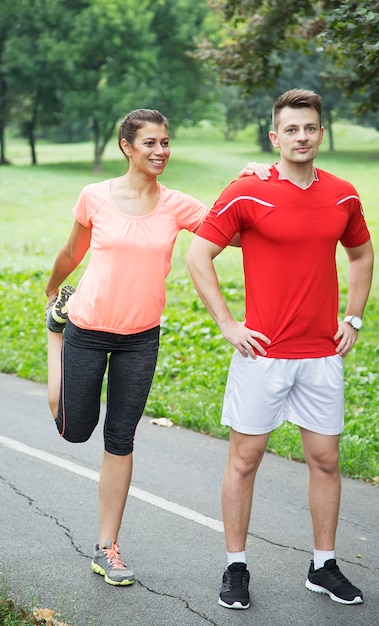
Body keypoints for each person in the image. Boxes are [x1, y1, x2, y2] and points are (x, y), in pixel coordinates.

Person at [44, 108, 266, 587]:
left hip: (141, 339)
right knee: (74, 431)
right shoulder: (95, 197)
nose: (160, 151)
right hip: (85, 326)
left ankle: (107, 547)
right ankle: (52, 332)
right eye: (150, 143)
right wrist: (53, 290)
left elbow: (235, 233)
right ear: (127, 146)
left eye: (165, 142)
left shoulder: (177, 205)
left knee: (120, 439)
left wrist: (247, 186)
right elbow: (71, 252)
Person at [186, 88, 374, 609]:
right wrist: (227, 324)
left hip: (321, 354)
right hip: (261, 354)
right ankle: (236, 567)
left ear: (321, 132)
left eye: (310, 127)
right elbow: (199, 256)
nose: (302, 137)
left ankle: (323, 566)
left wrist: (353, 316)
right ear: (275, 136)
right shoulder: (248, 191)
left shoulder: (342, 194)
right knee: (245, 460)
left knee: (326, 460)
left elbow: (361, 255)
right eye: (291, 129)